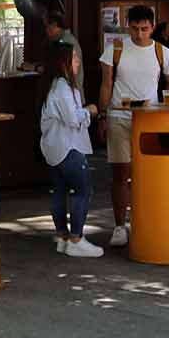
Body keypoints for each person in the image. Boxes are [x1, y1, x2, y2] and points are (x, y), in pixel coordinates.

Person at [98, 4, 169, 247]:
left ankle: (148, 219)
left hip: (150, 119)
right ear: (127, 27)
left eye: (144, 29)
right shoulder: (115, 49)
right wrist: (102, 116)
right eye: (134, 29)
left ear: (153, 27)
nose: (140, 34)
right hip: (119, 116)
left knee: (150, 172)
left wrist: (168, 101)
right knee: (120, 172)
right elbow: (106, 84)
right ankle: (120, 225)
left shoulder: (162, 52)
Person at [39, 41, 101, 257]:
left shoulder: (52, 86)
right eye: (74, 58)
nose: (77, 62)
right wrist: (89, 111)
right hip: (68, 146)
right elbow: (73, 119)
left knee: (58, 191)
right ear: (63, 63)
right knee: (82, 190)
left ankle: (62, 236)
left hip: (53, 148)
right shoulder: (63, 88)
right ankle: (76, 238)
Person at [43, 10, 81, 94]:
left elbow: (58, 68)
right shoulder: (62, 40)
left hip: (70, 94)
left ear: (54, 25)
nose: (46, 31)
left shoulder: (66, 43)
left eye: (47, 27)